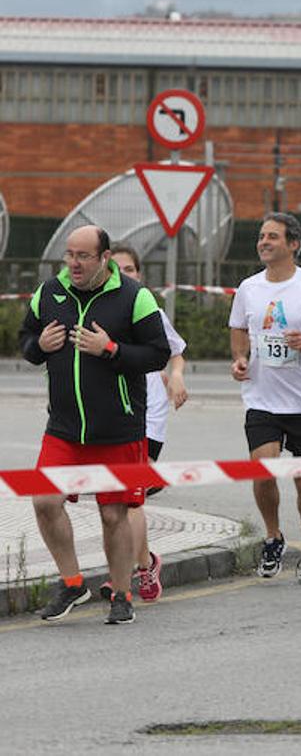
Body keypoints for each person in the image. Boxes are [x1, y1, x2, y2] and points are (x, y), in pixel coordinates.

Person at [20, 225, 170, 624]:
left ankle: (121, 594)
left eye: (83, 256)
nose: (73, 264)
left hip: (118, 430)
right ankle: (72, 583)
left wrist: (111, 349)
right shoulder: (50, 292)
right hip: (64, 428)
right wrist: (40, 347)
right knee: (44, 500)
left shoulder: (135, 297)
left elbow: (159, 354)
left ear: (104, 258)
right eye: (69, 255)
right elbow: (25, 338)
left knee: (113, 515)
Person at [229, 213, 301, 582]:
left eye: (272, 236)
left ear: (293, 244)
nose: (264, 242)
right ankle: (273, 536)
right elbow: (239, 328)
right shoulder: (249, 288)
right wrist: (240, 358)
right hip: (261, 399)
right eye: (261, 236)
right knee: (263, 470)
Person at [106, 245, 188, 604]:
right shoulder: (101, 307)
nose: (124, 274)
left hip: (147, 414)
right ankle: (142, 562)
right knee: (118, 501)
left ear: (139, 274)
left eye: (130, 269)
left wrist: (178, 375)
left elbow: (175, 350)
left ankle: (131, 573)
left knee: (130, 502)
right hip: (110, 414)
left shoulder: (146, 306)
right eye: (117, 268)